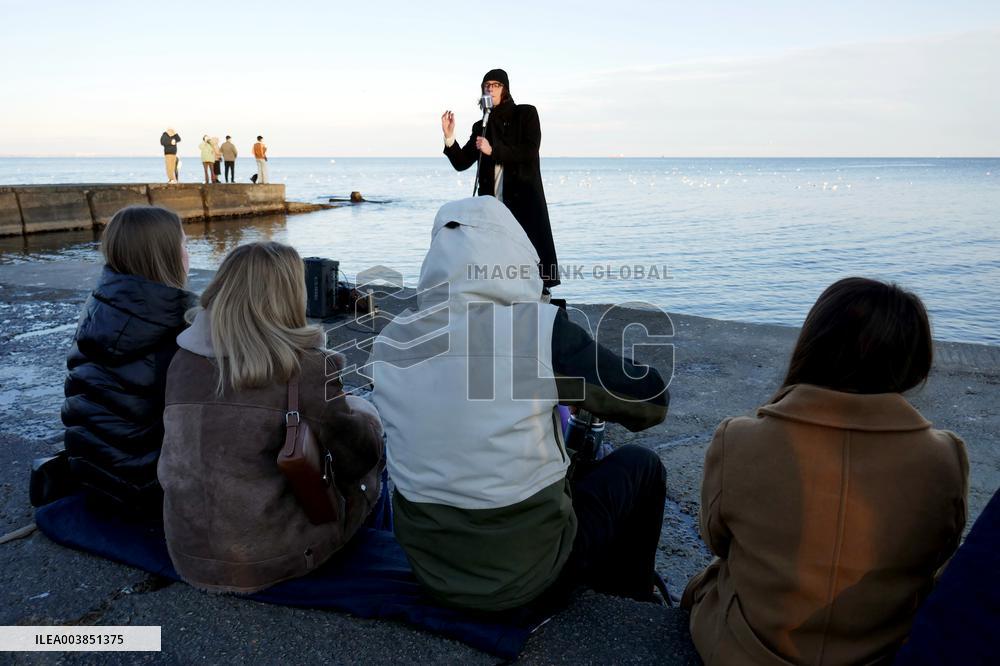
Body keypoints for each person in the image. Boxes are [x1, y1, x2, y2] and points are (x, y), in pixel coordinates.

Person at [371, 197, 669, 612]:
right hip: (527, 577)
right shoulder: (537, 331)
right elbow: (650, 401)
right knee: (641, 465)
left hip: (431, 573)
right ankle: (630, 604)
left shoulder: (390, 341)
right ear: (516, 256)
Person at [681, 277, 969, 665]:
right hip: (883, 653)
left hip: (743, 652)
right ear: (914, 361)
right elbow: (939, 554)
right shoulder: (944, 457)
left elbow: (717, 540)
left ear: (812, 343)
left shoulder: (739, 439)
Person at [158, 242, 385, 593]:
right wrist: (366, 413)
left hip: (188, 553)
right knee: (369, 472)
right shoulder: (307, 368)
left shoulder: (183, 359)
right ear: (290, 295)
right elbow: (358, 458)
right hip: (268, 560)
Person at [60, 206, 195, 518]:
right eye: (184, 245)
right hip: (149, 492)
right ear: (165, 256)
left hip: (94, 477)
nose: (189, 254)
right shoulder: (174, 327)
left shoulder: (99, 307)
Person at [442, 68, 560, 289]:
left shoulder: (526, 114)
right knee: (495, 258)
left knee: (530, 255)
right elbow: (462, 162)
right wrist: (449, 137)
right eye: (487, 85)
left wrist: (492, 150)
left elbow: (529, 151)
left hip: (523, 199)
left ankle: (537, 300)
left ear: (505, 89)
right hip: (492, 204)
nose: (491, 89)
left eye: (496, 85)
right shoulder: (481, 126)